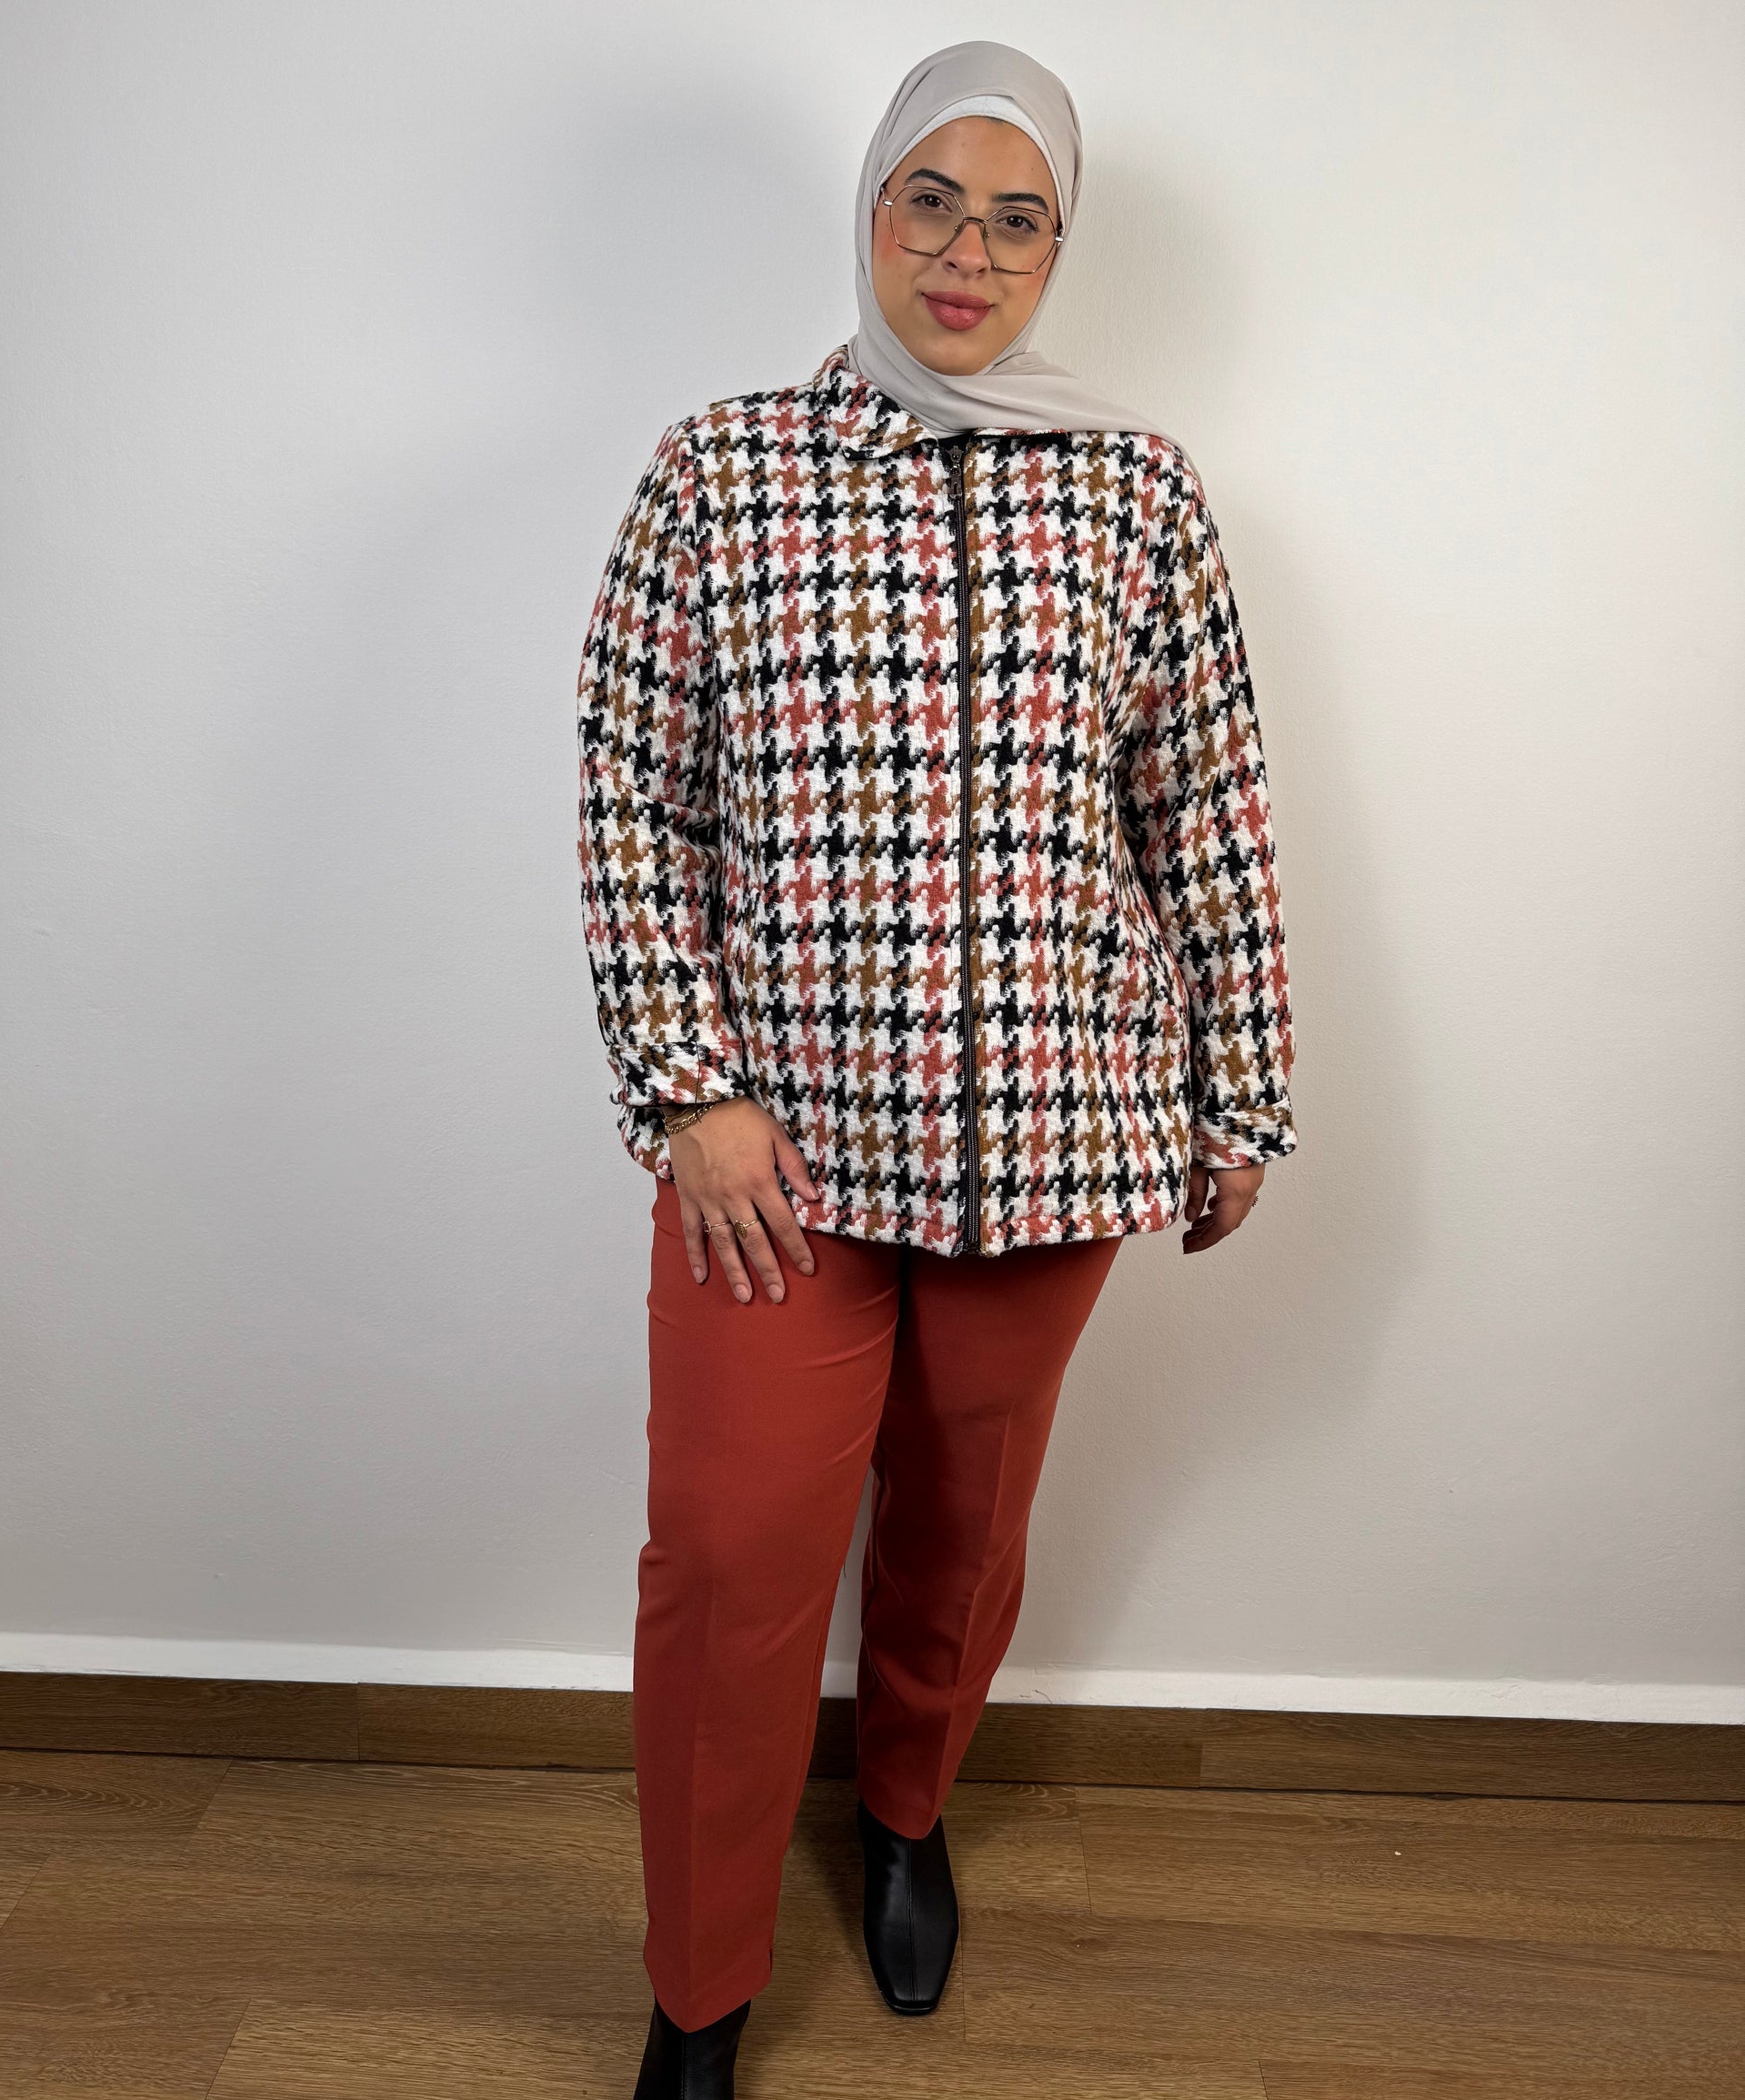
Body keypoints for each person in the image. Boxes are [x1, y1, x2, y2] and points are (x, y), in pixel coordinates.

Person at [576, 37, 1298, 2098]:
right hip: (773, 1159)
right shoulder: (720, 472)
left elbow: (1203, 807)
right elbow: (634, 792)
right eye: (930, 203)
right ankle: (698, 1990)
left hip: (1053, 1132)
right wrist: (688, 1086)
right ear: (872, 209)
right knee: (729, 1559)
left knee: (962, 1530)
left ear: (1057, 250)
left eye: (1016, 221)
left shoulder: (1138, 493)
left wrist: (1239, 1087)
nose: (965, 255)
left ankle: (903, 1805)